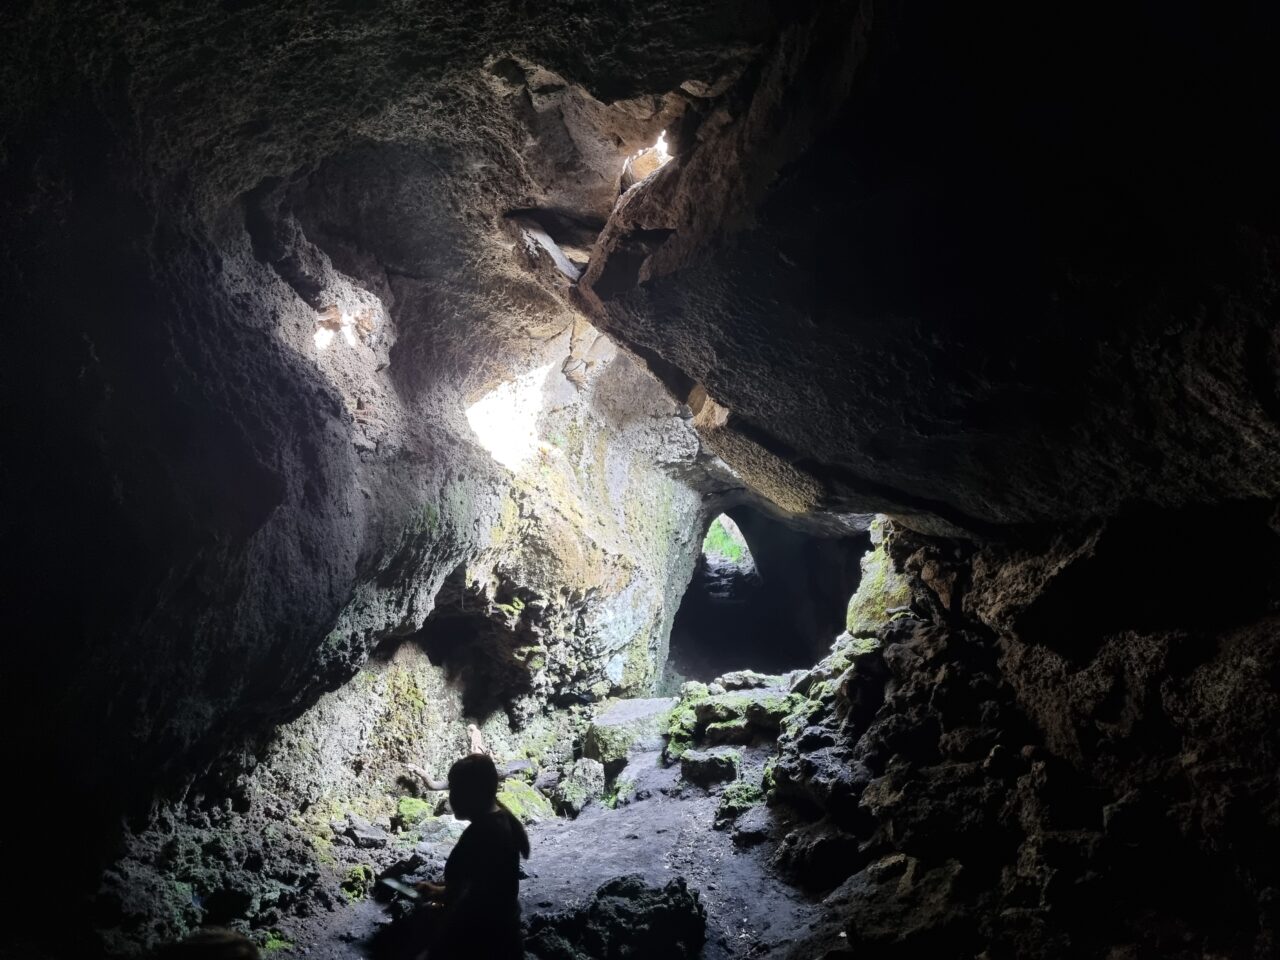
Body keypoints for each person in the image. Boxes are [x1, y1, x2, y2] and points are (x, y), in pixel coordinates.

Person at [417, 754, 529, 959]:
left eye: (454, 790)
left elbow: (464, 899)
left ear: (470, 794)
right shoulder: (504, 820)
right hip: (506, 934)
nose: (451, 797)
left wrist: (434, 950)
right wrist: (437, 890)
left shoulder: (479, 835)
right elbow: (482, 885)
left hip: (484, 941)